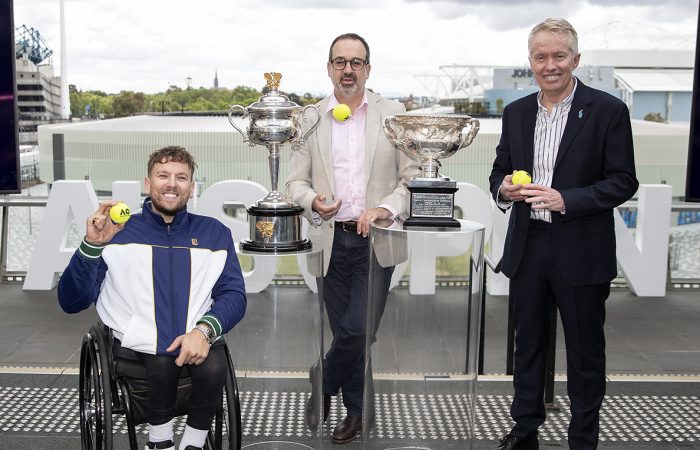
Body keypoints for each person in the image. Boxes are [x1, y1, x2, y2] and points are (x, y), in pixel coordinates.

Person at [489, 18, 639, 450]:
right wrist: (504, 188)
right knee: (528, 347)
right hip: (529, 247)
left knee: (585, 354)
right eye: (541, 57)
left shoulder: (609, 110)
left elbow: (623, 180)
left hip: (580, 247)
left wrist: (566, 199)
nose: (549, 65)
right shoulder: (516, 112)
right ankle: (525, 431)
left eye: (559, 56)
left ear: (576, 59)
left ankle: (583, 439)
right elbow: (500, 168)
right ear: (530, 62)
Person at [58, 146, 247, 450]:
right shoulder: (115, 231)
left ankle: (193, 444)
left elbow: (234, 294)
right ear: (148, 184)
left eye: (181, 178)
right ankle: (159, 442)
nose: (172, 184)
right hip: (137, 342)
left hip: (195, 334)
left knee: (214, 367)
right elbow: (70, 302)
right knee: (162, 358)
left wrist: (204, 330)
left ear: (191, 187)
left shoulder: (215, 233)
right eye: (163, 175)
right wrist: (92, 246)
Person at [285, 33, 419, 444]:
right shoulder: (309, 119)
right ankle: (358, 413)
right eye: (340, 62)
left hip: (376, 239)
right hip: (329, 240)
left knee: (360, 330)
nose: (348, 69)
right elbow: (294, 182)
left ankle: (322, 379)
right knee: (347, 331)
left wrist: (386, 209)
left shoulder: (393, 115)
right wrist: (312, 201)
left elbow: (413, 178)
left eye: (356, 62)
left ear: (368, 69)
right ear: (329, 68)